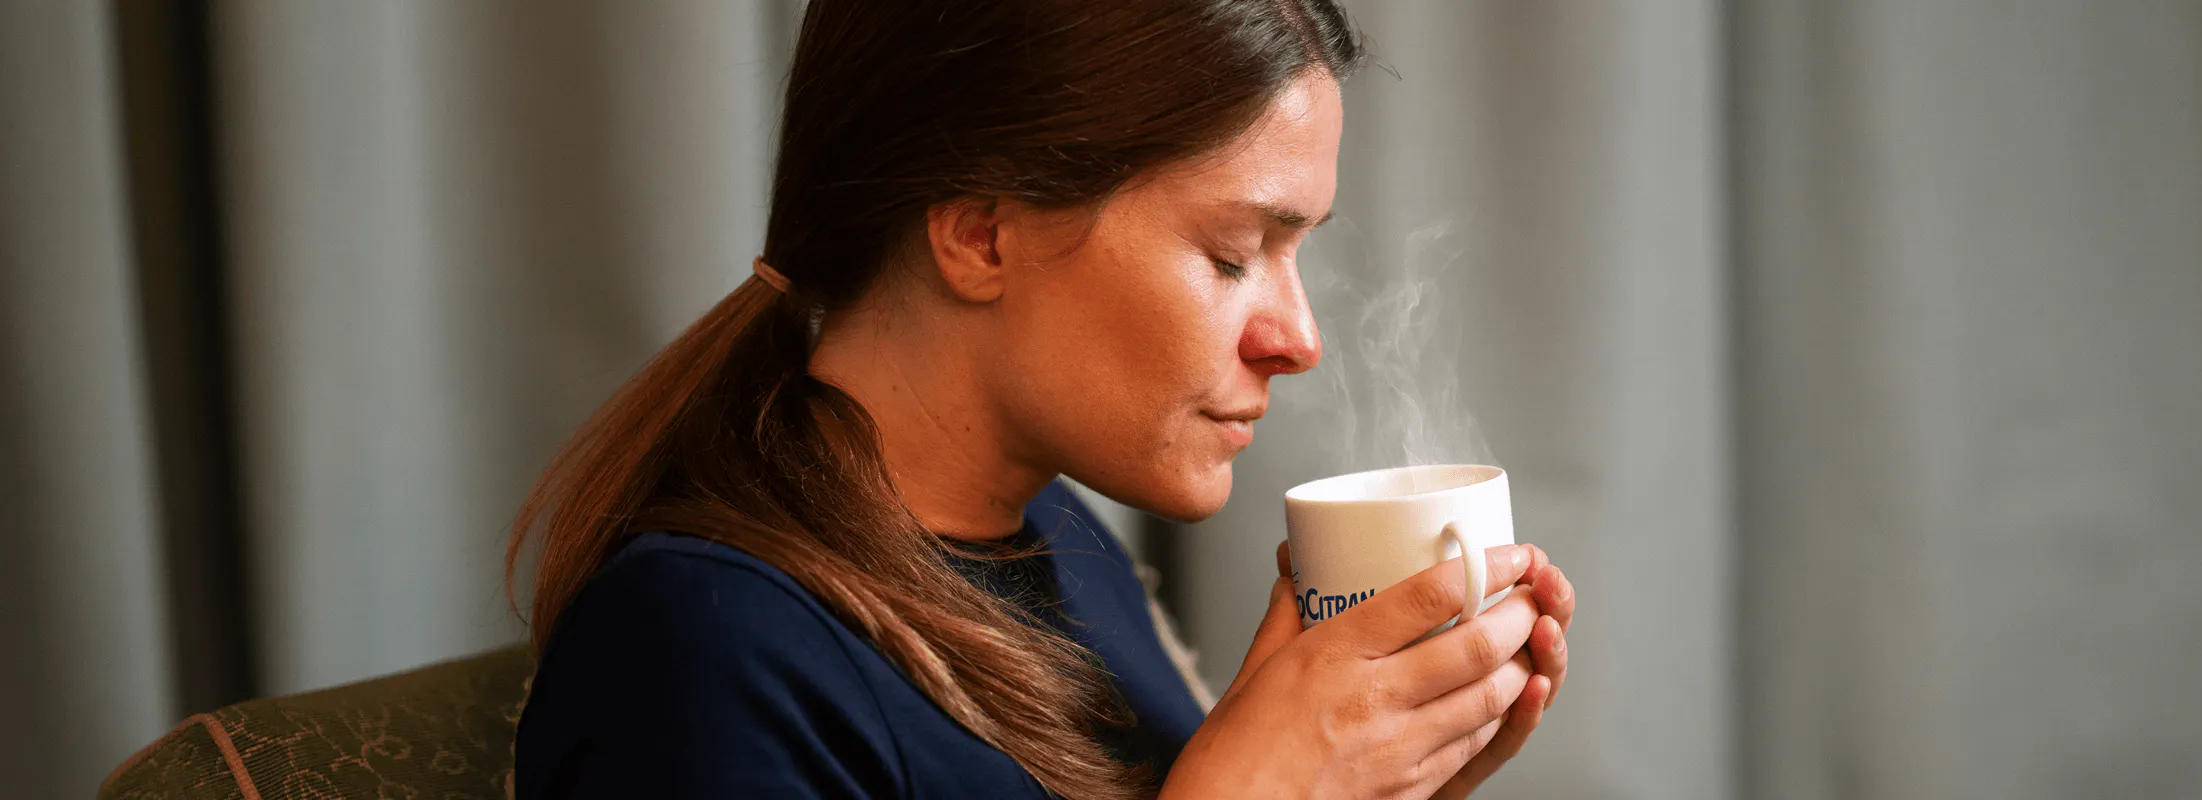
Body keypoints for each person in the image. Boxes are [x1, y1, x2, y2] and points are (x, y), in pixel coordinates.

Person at [508, 1, 1578, 797]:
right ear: (979, 232)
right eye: (1228, 254)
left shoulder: (1069, 548)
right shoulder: (699, 649)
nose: (1297, 339)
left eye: (1293, 254)